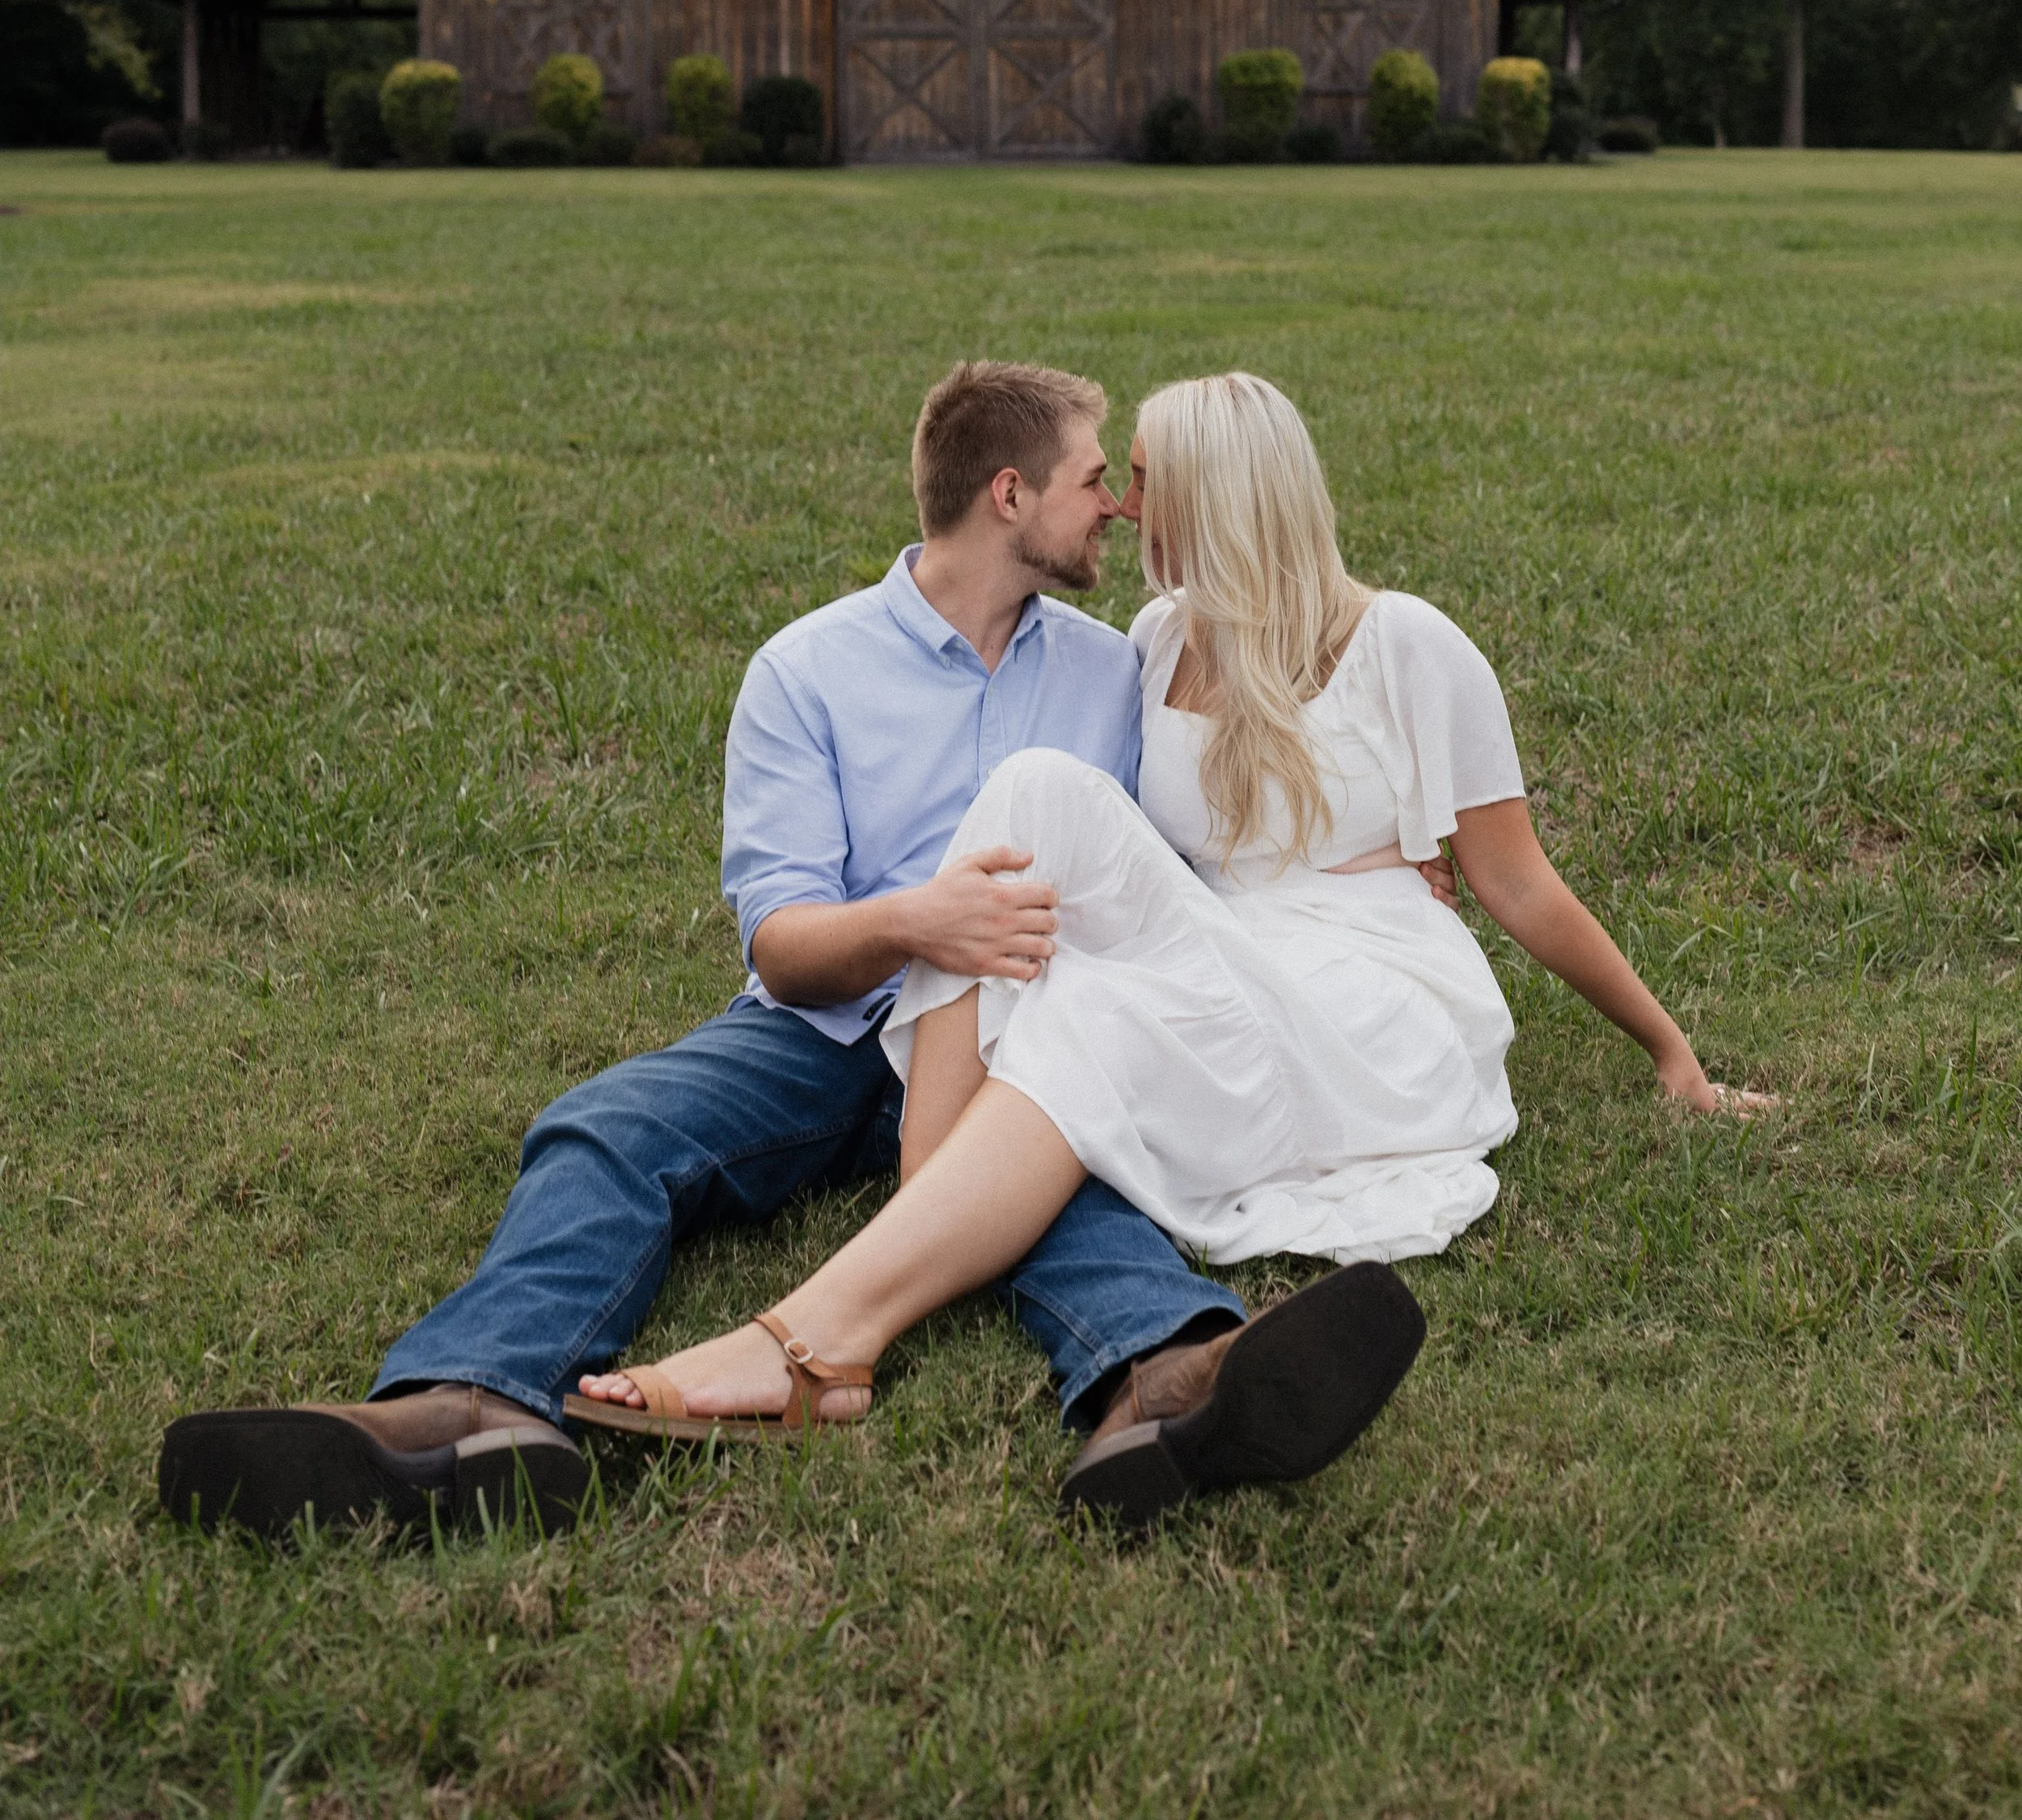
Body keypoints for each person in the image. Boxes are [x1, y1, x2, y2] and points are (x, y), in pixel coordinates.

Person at [159, 361, 1425, 1544]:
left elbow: (1192, 840)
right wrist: (916, 923)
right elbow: (782, 938)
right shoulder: (806, 672)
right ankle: (460, 1405)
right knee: (607, 1130)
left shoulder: (1116, 667)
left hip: (1024, 1027)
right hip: (820, 1031)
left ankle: (1169, 1378)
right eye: (1098, 479)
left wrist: (1380, 863)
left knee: (1067, 1168)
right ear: (1008, 495)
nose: (1119, 506)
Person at [573, 371, 1773, 1527]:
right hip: (1228, 963)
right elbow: (1148, 858)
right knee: (1032, 799)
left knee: (1075, 971)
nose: (1125, 505)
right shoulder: (1155, 642)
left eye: (1145, 478)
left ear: (1220, 495)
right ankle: (907, 1230)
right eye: (1119, 477)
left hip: (1368, 1001)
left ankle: (828, 1325)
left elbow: (1520, 883)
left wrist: (1672, 1052)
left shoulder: (1409, 643)